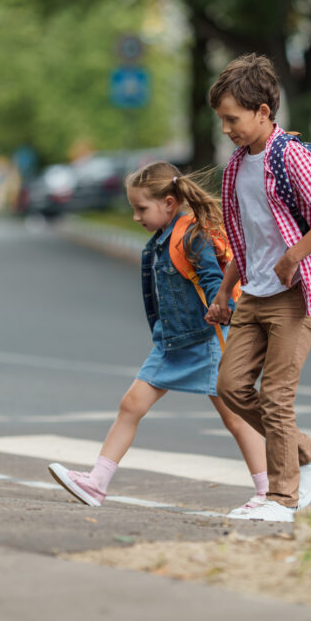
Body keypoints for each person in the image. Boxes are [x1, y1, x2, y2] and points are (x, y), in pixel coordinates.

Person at [48, 161, 270, 516]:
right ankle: (96, 483)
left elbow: (216, 282)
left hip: (207, 341)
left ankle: (269, 491)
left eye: (141, 208)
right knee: (131, 405)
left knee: (235, 418)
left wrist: (221, 306)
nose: (136, 217)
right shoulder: (161, 240)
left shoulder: (192, 236)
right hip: (171, 343)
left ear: (168, 203)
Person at [205, 53, 311, 523]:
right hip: (254, 293)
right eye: (222, 120)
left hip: (295, 294)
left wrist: (295, 255)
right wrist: (226, 289)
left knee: (276, 396)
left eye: (233, 119)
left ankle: (283, 499)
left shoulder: (290, 155)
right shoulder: (234, 166)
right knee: (230, 387)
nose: (227, 128)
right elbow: (244, 234)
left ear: (263, 112)